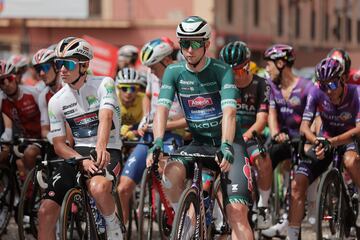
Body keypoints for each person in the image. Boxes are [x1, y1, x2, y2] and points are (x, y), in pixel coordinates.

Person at [147, 16, 253, 239]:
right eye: (184, 43)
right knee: (169, 175)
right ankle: (187, 220)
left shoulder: (222, 70)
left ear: (206, 44)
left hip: (228, 143)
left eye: (195, 43)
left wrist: (225, 144)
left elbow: (230, 113)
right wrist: (157, 141)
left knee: (237, 213)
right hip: (198, 142)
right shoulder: (173, 72)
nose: (189, 49)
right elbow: (162, 110)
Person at [38, 37, 123, 240]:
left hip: (109, 147)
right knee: (45, 211)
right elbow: (58, 144)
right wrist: (80, 160)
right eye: (59, 64)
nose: (62, 70)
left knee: (98, 187)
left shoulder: (104, 83)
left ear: (84, 65)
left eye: (68, 64)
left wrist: (101, 148)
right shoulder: (56, 100)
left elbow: (106, 117)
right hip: (78, 153)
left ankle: (113, 226)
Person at [287, 57, 360, 239]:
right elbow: (304, 126)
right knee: (298, 182)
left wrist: (333, 141)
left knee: (351, 161)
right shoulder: (316, 92)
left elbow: (358, 130)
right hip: (325, 139)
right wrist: (317, 141)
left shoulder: (356, 93)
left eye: (333, 85)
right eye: (324, 85)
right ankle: (292, 234)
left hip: (349, 138)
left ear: (342, 80)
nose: (328, 90)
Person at [117, 37, 186, 224]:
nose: (151, 71)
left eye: (154, 66)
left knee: (166, 173)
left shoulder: (183, 78)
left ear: (166, 60)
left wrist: (162, 126)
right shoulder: (151, 73)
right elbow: (147, 96)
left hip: (172, 136)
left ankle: (180, 217)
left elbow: (188, 121)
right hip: (149, 135)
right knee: (123, 189)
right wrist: (146, 118)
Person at [261, 44, 314, 238]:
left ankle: (302, 214)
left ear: (281, 63)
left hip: (303, 138)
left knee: (297, 181)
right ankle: (261, 207)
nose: (267, 68)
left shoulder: (306, 87)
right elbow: (271, 115)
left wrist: (308, 138)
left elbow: (314, 118)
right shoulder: (273, 88)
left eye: (269, 64)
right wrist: (275, 134)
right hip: (283, 138)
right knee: (265, 156)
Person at [219, 41, 272, 229]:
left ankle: (264, 206)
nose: (234, 76)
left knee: (262, 159)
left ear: (248, 66)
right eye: (229, 71)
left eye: (239, 71)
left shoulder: (261, 84)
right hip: (226, 135)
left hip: (250, 134)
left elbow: (262, 120)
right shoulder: (221, 83)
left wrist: (247, 136)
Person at [0, 59, 43, 179]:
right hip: (22, 139)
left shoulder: (33, 93)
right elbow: (7, 126)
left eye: (10, 79)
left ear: (16, 78)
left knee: (27, 156)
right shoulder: (2, 99)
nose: (7, 84)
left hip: (41, 139)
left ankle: (30, 191)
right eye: (2, 81)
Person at [115, 67, 145, 140]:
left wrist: (135, 132)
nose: (128, 93)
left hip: (137, 134)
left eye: (132, 88)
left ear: (138, 89)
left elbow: (147, 124)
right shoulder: (112, 99)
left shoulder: (144, 100)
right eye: (124, 88)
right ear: (118, 88)